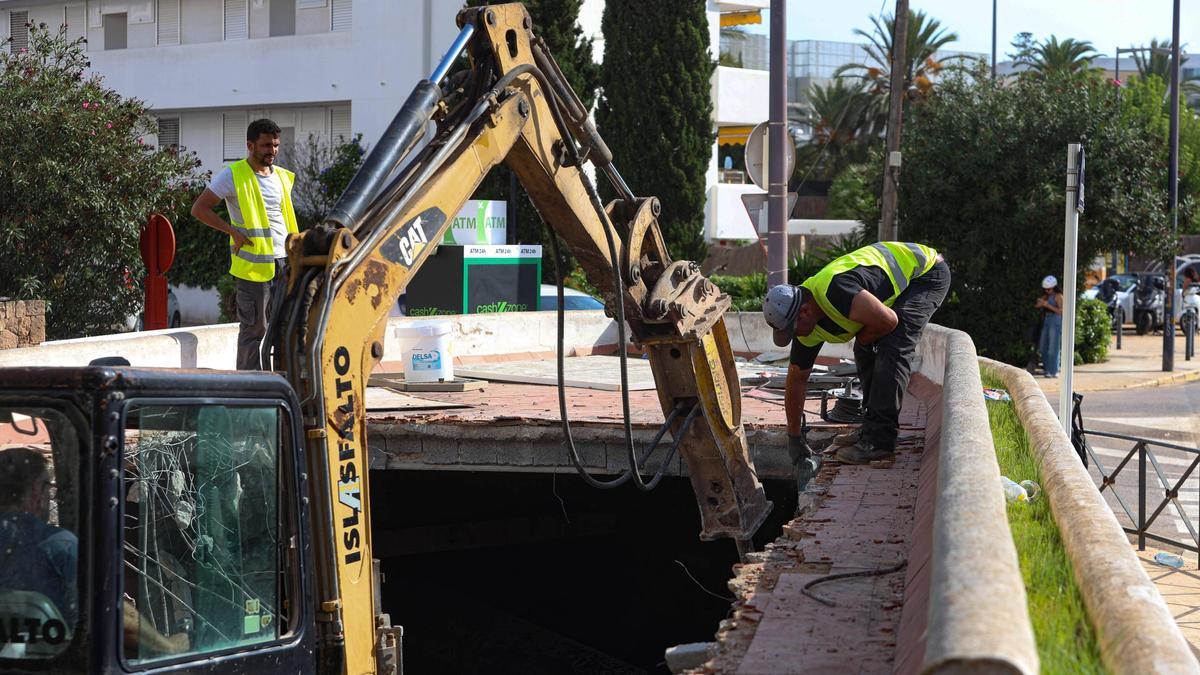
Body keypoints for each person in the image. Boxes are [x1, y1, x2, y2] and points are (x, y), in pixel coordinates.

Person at [762, 242, 951, 465]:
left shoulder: (836, 290)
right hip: (893, 292)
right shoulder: (805, 323)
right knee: (865, 350)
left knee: (893, 347)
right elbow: (796, 380)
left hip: (926, 274)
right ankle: (871, 429)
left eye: (792, 330)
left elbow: (889, 321)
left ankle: (879, 443)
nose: (795, 337)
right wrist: (793, 437)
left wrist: (862, 340)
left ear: (805, 311)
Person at [0, 446, 188, 656]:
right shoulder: (57, 545)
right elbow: (116, 618)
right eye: (48, 486)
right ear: (36, 490)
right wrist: (169, 647)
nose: (49, 493)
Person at [191, 119, 299, 370]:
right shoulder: (233, 174)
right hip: (253, 268)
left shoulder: (282, 177)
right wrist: (233, 233)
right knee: (254, 330)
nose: (271, 150)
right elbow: (199, 209)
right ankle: (249, 386)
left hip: (284, 263)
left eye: (275, 145)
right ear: (250, 145)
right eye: (265, 145)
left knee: (285, 328)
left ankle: (279, 384)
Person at [1036, 275, 1064, 378]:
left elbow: (1061, 311)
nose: (1047, 291)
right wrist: (1041, 303)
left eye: (1049, 289)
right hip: (1047, 320)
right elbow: (1037, 305)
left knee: (1053, 347)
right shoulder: (1046, 296)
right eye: (1045, 289)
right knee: (1043, 346)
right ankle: (1047, 369)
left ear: (1054, 287)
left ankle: (1054, 371)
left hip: (1055, 321)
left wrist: (1047, 305)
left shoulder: (1058, 296)